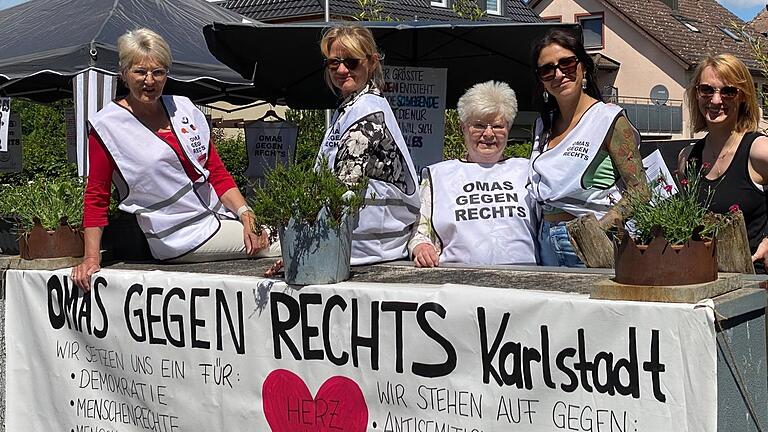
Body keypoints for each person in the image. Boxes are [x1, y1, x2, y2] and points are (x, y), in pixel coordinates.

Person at [71, 28, 272, 291]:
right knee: (280, 242)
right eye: (140, 71)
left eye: (158, 72)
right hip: (179, 235)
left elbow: (216, 171)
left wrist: (246, 214)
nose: (150, 80)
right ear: (124, 74)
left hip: (219, 218)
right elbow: (96, 195)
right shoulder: (107, 125)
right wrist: (91, 258)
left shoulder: (183, 107)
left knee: (280, 231)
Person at [527, 29, 649, 267]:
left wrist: (596, 230)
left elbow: (641, 191)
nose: (559, 74)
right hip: (545, 239)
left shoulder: (608, 119)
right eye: (547, 69)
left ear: (583, 66)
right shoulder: (543, 125)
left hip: (591, 239)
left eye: (567, 64)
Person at [316, 24, 419, 265]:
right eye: (334, 63)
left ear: (371, 62)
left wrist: (302, 245)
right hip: (359, 249)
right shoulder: (353, 108)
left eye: (351, 62)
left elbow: (339, 189)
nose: (342, 69)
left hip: (369, 254)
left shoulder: (366, 112)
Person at [408, 81, 537, 267]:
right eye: (479, 125)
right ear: (463, 127)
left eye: (498, 126)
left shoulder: (528, 171)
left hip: (524, 281)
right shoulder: (438, 175)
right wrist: (421, 247)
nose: (489, 134)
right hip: (457, 280)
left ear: (508, 128)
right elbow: (419, 231)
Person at [677, 53, 768, 266]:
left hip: (755, 285)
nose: (716, 100)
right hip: (702, 281)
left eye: (728, 91)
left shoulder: (759, 150)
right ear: (696, 94)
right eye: (707, 90)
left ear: (743, 96)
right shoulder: (687, 159)